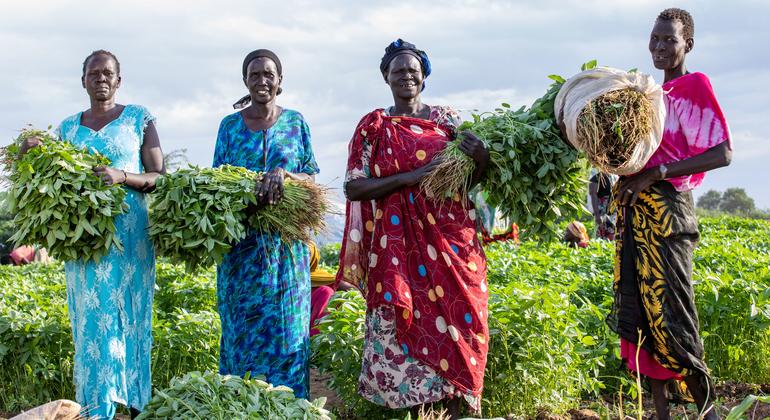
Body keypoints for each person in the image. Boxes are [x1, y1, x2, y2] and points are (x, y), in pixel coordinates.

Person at [336, 39, 490, 418]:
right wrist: (411, 177)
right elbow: (354, 186)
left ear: (424, 77)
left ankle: (456, 410)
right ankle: (416, 412)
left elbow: (473, 180)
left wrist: (482, 157)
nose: (406, 76)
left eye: (413, 71)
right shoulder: (374, 126)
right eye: (398, 70)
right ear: (386, 77)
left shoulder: (448, 122)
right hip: (398, 247)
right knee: (406, 325)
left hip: (452, 240)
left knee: (463, 322)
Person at [19, 50, 166, 419]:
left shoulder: (138, 118)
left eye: (108, 73)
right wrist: (28, 154)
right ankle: (95, 409)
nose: (101, 78)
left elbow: (160, 176)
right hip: (86, 244)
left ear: (119, 80)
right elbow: (48, 178)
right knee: (93, 323)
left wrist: (122, 176)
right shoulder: (68, 128)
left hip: (130, 237)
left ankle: (137, 407)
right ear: (82, 80)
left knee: (130, 318)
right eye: (93, 73)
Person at [608, 8, 732, 420]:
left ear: (687, 45)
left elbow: (722, 153)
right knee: (641, 315)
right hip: (636, 215)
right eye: (655, 39)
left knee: (673, 314)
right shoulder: (647, 97)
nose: (660, 47)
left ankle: (709, 413)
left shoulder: (693, 86)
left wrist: (656, 174)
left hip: (669, 215)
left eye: (670, 40)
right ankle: (659, 414)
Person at [213, 49, 319, 399]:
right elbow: (217, 186)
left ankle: (289, 407)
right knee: (241, 333)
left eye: (268, 74)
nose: (262, 80)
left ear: (280, 81)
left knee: (287, 334)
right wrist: (249, 195)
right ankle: (240, 407)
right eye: (254, 74)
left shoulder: (296, 122)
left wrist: (284, 175)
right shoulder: (229, 127)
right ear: (246, 81)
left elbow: (313, 183)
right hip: (241, 252)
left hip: (286, 254)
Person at [588, 170, 617, 240]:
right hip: (602, 212)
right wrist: (597, 215)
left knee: (614, 236)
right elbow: (593, 196)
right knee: (603, 234)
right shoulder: (595, 178)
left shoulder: (613, 177)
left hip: (613, 212)